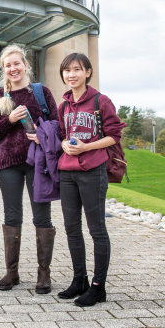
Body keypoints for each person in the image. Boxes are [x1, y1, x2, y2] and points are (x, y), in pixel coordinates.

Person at [0, 44, 59, 292]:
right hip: (8, 164)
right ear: (3, 69)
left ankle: (43, 274)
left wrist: (42, 134)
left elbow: (58, 124)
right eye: (8, 65)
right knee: (12, 216)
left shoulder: (41, 92)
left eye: (17, 63)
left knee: (42, 216)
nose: (13, 68)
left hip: (38, 162)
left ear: (26, 65)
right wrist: (11, 119)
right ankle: (11, 272)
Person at [56, 53, 125, 307]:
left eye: (77, 69)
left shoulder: (100, 101)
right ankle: (79, 280)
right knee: (72, 228)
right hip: (67, 172)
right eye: (67, 70)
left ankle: (98, 287)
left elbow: (114, 135)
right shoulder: (63, 106)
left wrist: (86, 147)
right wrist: (64, 143)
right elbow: (62, 135)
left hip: (93, 171)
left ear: (88, 72)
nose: (71, 74)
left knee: (96, 229)